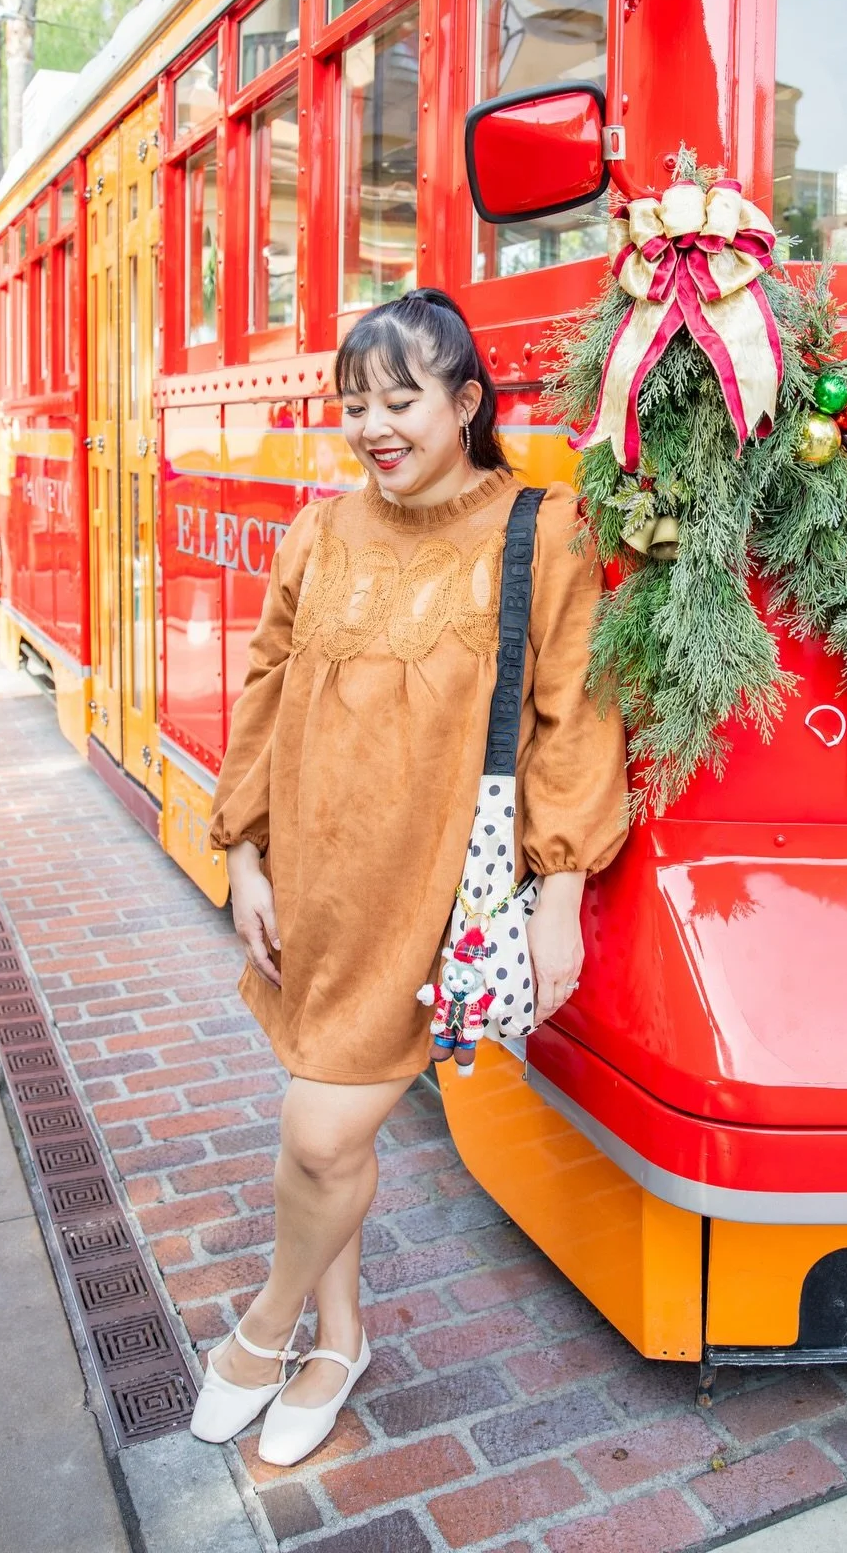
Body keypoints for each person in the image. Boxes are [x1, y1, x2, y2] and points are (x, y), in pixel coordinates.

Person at [191, 289, 627, 1467]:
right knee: (317, 1133)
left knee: (321, 1135)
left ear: (466, 401)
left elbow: (575, 719)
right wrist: (244, 854)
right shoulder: (320, 533)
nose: (373, 427)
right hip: (313, 879)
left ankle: (262, 1331)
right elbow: (266, 689)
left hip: (430, 892)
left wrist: (561, 896)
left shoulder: (543, 530)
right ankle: (339, 1344)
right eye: (354, 405)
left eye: (400, 401)